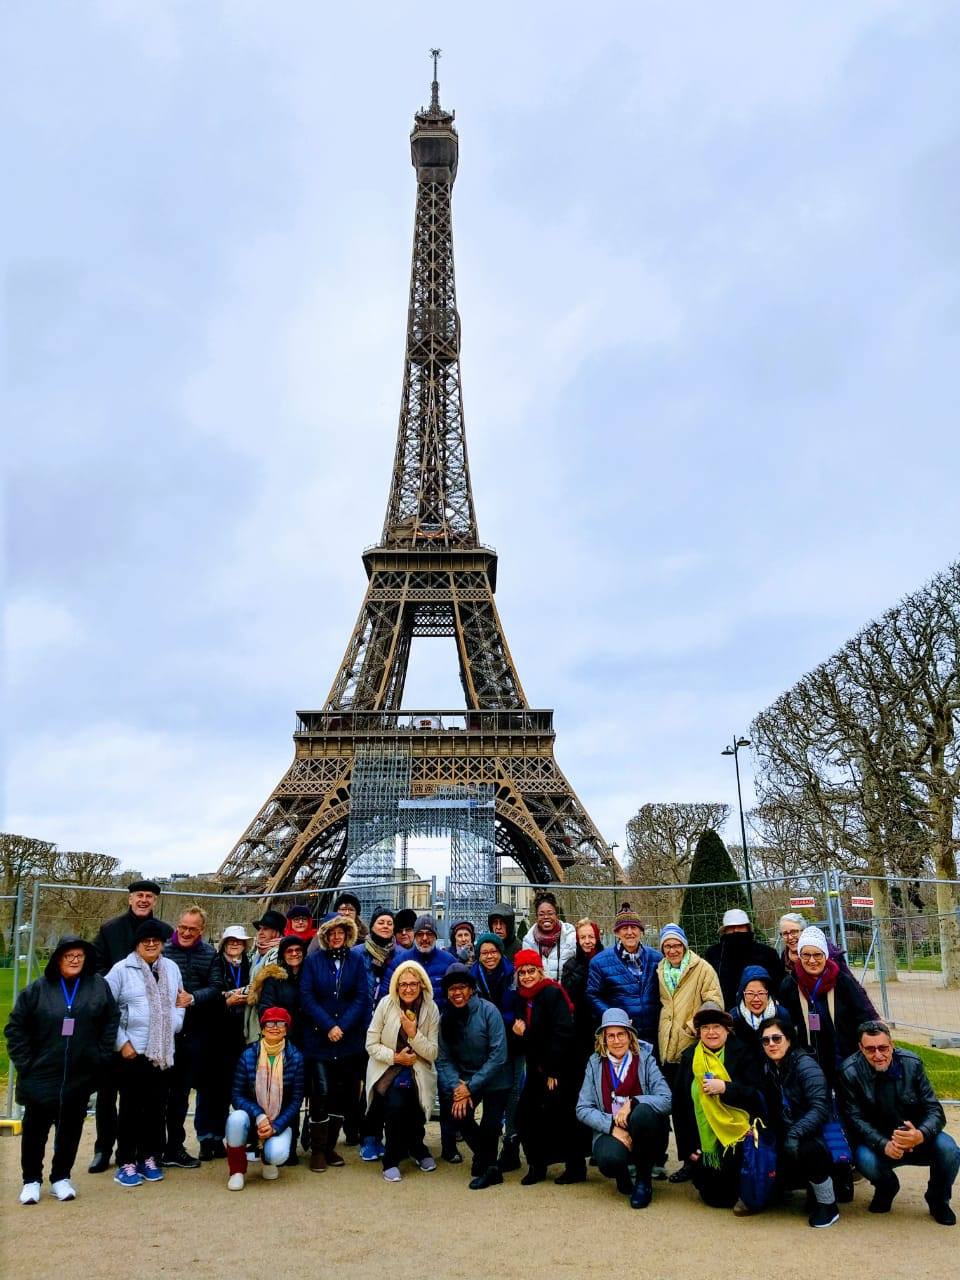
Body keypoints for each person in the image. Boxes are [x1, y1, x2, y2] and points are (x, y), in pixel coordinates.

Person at [5, 936, 119, 1205]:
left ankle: (61, 1177)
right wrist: (26, 1063)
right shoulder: (37, 990)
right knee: (35, 1131)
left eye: (79, 956)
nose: (75, 960)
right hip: (41, 1075)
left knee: (70, 1129)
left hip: (80, 1074)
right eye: (69, 956)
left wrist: (100, 1055)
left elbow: (111, 1019)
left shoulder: (98, 987)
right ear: (58, 959)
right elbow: (15, 1028)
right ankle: (31, 1180)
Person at [837, 1019, 959, 1226]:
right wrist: (883, 1143)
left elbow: (935, 1110)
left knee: (950, 1149)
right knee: (863, 1158)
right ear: (860, 1048)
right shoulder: (849, 1072)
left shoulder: (912, 1063)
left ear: (892, 1045)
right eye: (870, 1049)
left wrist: (920, 1134)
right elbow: (854, 1119)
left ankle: (938, 1199)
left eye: (883, 1048)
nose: (878, 1055)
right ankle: (887, 1187)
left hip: (915, 1136)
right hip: (878, 1142)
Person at [88, 879, 173, 1173]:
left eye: (149, 896)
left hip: (149, 1033)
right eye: (139, 895)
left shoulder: (163, 933)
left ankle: (143, 1152)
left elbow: (170, 981)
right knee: (108, 1094)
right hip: (117, 1026)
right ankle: (104, 1147)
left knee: (145, 1098)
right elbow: (97, 971)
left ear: (155, 901)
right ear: (129, 899)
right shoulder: (110, 930)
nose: (144, 900)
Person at [105, 919, 185, 1188]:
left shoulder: (171, 968)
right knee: (130, 1109)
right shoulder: (121, 970)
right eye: (145, 941)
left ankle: (148, 1156)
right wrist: (121, 1042)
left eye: (156, 941)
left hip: (162, 1051)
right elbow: (107, 1009)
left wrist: (176, 1022)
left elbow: (180, 1000)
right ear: (137, 944)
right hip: (133, 1051)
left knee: (155, 1108)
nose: (151, 945)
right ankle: (126, 1160)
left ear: (162, 944)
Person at [671, 1001, 765, 1211]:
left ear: (726, 1029)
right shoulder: (689, 1057)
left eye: (716, 1027)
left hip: (737, 1135)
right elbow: (679, 1107)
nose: (711, 1032)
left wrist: (725, 1088)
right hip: (704, 1140)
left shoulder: (743, 1053)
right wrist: (687, 1149)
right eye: (705, 1028)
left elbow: (755, 1094)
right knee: (713, 1197)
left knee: (731, 1194)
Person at [575, 1007, 671, 1208]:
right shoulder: (594, 1063)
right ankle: (622, 1176)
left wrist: (634, 1101)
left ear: (630, 1036)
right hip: (612, 1131)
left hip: (644, 1129)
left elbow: (666, 1099)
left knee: (643, 1113)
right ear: (603, 1039)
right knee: (609, 1160)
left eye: (621, 1034)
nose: (616, 1041)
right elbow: (582, 1108)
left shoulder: (645, 1059)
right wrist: (611, 1127)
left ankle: (644, 1181)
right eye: (611, 1036)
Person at [299, 913, 369, 1170]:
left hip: (347, 1039)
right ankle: (318, 1149)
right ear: (325, 936)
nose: (337, 936)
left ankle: (329, 1147)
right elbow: (306, 996)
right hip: (319, 1038)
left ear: (348, 934)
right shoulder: (313, 961)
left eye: (341, 932)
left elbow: (362, 996)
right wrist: (329, 1026)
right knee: (322, 1092)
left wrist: (343, 1026)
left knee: (342, 1093)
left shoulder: (357, 960)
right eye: (332, 933)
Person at [759, 1014, 838, 1227]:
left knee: (808, 1150)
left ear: (789, 1040)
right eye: (766, 1040)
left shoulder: (806, 1066)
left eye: (777, 1038)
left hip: (817, 1133)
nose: (771, 1044)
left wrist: (795, 1133)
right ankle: (800, 1187)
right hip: (789, 1128)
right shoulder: (770, 1068)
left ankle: (828, 1204)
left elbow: (820, 1108)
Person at [512, 947, 583, 1186]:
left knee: (563, 1115)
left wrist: (553, 1069)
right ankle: (537, 1163)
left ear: (540, 971)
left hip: (559, 1066)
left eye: (531, 971)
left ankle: (575, 1166)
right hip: (536, 1067)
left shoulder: (552, 992)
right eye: (522, 972)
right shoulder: (522, 997)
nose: (527, 976)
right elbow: (527, 1035)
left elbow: (562, 1032)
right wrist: (520, 1034)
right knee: (525, 1115)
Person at [364, 960, 440, 1182]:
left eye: (413, 984)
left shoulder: (431, 1008)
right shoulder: (386, 1004)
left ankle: (417, 1146)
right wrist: (395, 1057)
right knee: (396, 1106)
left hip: (418, 1067)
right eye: (403, 984)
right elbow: (371, 1043)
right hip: (389, 1068)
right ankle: (391, 1158)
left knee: (416, 1105)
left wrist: (413, 1034)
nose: (408, 988)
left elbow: (433, 1052)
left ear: (422, 985)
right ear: (396, 986)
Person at [437, 964, 511, 1189]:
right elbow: (444, 1059)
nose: (457, 993)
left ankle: (485, 1163)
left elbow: (499, 1055)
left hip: (496, 1078)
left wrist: (471, 1086)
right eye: (452, 989)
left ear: (471, 989)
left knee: (490, 1125)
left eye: (461, 987)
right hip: (465, 1080)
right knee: (457, 1114)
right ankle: (491, 1165)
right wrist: (457, 1088)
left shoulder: (489, 1011)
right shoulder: (446, 1018)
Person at [779, 926, 877, 1088]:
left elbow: (862, 1015)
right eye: (806, 955)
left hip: (844, 1055)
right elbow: (785, 1022)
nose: (812, 960)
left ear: (825, 955)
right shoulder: (790, 984)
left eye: (817, 954)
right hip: (808, 1058)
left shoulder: (843, 981)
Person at [161, 906, 218, 1170]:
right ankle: (154, 1146)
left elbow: (217, 987)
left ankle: (174, 1146)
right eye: (182, 927)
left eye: (191, 929)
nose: (184, 932)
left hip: (193, 1033)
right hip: (164, 1032)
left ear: (201, 931)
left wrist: (192, 998)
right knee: (159, 1094)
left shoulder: (209, 953)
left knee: (181, 1095)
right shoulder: (162, 950)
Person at [225, 1007, 305, 1190]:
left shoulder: (296, 1058)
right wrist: (259, 1115)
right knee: (236, 1119)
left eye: (280, 1023)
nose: (274, 1027)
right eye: (269, 1023)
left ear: (286, 1028)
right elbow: (237, 1095)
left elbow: (295, 1101)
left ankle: (267, 1160)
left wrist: (275, 1127)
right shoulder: (248, 1055)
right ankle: (237, 1170)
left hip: (279, 1120)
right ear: (262, 1028)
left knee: (277, 1154)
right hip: (252, 1118)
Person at [472, 931, 522, 1171]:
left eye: (493, 951)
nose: (489, 956)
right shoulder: (473, 975)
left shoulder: (513, 973)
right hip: (485, 1042)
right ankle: (485, 1143)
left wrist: (500, 1019)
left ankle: (511, 1143)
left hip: (512, 1040)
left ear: (500, 952)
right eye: (484, 952)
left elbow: (518, 1004)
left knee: (513, 1091)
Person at [207, 925, 253, 1159]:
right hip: (219, 1032)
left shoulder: (249, 964)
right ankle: (210, 1139)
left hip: (242, 1033)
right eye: (230, 941)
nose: (235, 945)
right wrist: (226, 1001)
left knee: (241, 1087)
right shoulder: (216, 964)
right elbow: (213, 993)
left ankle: (238, 1138)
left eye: (239, 941)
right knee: (216, 1089)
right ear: (224, 944)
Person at [587, 902, 662, 1045]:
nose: (629, 932)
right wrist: (615, 1018)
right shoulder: (599, 962)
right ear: (616, 933)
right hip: (621, 1036)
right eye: (624, 928)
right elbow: (593, 995)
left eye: (634, 927)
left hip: (655, 1033)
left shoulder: (657, 959)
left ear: (641, 931)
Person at [704, 908, 781, 1008]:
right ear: (724, 930)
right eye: (731, 927)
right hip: (725, 1011)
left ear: (748, 928)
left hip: (761, 1010)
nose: (736, 930)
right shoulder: (713, 953)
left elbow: (777, 984)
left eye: (740, 926)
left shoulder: (767, 953)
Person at [729, 965, 790, 1061]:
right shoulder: (734, 1017)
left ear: (768, 994)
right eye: (750, 994)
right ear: (742, 994)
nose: (756, 999)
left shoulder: (781, 1014)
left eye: (761, 993)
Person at [244, 910, 286, 1043]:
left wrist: (231, 993)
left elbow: (259, 983)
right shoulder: (258, 953)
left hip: (267, 1014)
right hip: (253, 1013)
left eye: (266, 929)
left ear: (276, 932)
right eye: (260, 929)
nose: (260, 933)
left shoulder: (277, 953)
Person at [524, 891, 576, 981]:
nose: (546, 917)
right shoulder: (528, 942)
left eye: (550, 913)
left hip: (565, 992)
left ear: (556, 915)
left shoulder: (571, 937)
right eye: (541, 914)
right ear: (536, 917)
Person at [361, 907, 396, 1007]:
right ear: (372, 926)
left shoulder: (401, 955)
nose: (385, 926)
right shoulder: (357, 953)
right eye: (381, 923)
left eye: (390, 924)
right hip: (363, 1015)